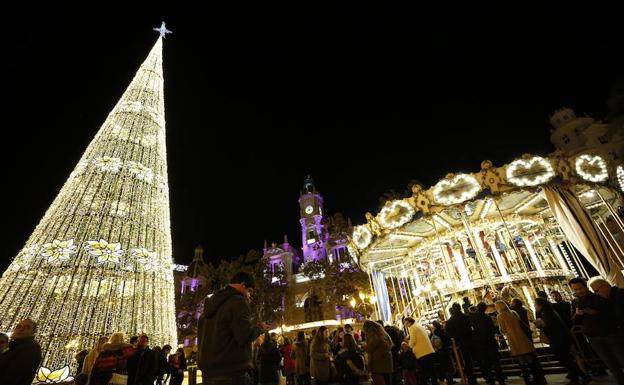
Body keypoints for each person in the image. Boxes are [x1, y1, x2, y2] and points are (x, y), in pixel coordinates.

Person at [198, 271, 271, 385]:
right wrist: (260, 328)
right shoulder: (238, 301)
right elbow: (244, 336)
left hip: (208, 375)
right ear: (243, 285)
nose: (249, 295)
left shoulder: (209, 305)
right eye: (249, 291)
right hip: (232, 373)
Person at [570, 277, 624, 385]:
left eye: (580, 288)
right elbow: (574, 321)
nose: (578, 291)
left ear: (585, 286)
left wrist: (595, 312)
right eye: (575, 289)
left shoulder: (598, 297)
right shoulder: (576, 302)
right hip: (593, 338)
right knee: (611, 365)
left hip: (609, 334)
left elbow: (611, 313)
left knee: (622, 359)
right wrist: (578, 315)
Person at [534, 297, 590, 385]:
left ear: (540, 305)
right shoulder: (549, 311)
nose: (535, 307)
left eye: (535, 305)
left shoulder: (546, 313)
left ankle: (582, 376)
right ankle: (577, 377)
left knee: (566, 359)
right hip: (561, 339)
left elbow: (550, 327)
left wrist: (541, 325)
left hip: (559, 340)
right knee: (566, 359)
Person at [495, 301, 545, 385]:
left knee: (521, 359)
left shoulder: (500, 316)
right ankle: (537, 377)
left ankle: (527, 379)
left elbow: (503, 330)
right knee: (529, 358)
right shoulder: (513, 313)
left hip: (513, 338)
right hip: (522, 336)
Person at [471, 302, 505, 385]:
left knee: (486, 364)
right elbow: (492, 329)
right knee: (496, 364)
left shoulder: (473, 318)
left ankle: (491, 381)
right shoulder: (487, 317)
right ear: (485, 308)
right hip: (490, 342)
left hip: (480, 344)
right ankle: (501, 380)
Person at [0, 318, 42, 385]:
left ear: (33, 332)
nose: (21, 329)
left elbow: (13, 376)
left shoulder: (31, 348)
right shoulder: (13, 345)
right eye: (19, 326)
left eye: (27, 327)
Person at [445, 303, 477, 385]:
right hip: (471, 341)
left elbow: (449, 333)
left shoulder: (450, 321)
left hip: (460, 344)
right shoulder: (466, 317)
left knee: (465, 362)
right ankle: (474, 379)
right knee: (472, 360)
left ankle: (469, 379)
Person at [403, 317, 436, 385]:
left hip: (422, 352)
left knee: (423, 372)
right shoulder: (418, 325)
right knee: (431, 370)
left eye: (406, 323)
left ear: (410, 322)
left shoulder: (412, 328)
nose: (406, 325)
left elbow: (413, 340)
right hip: (428, 350)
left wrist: (408, 345)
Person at [363, 320, 393, 385]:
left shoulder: (373, 336)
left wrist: (364, 346)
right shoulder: (383, 334)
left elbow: (369, 349)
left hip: (378, 365)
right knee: (387, 381)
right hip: (387, 364)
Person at [431, 320, 453, 385]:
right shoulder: (444, 331)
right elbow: (449, 341)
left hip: (439, 352)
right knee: (449, 367)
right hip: (446, 351)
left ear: (434, 326)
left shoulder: (434, 334)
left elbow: (432, 343)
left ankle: (442, 380)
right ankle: (450, 380)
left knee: (441, 367)